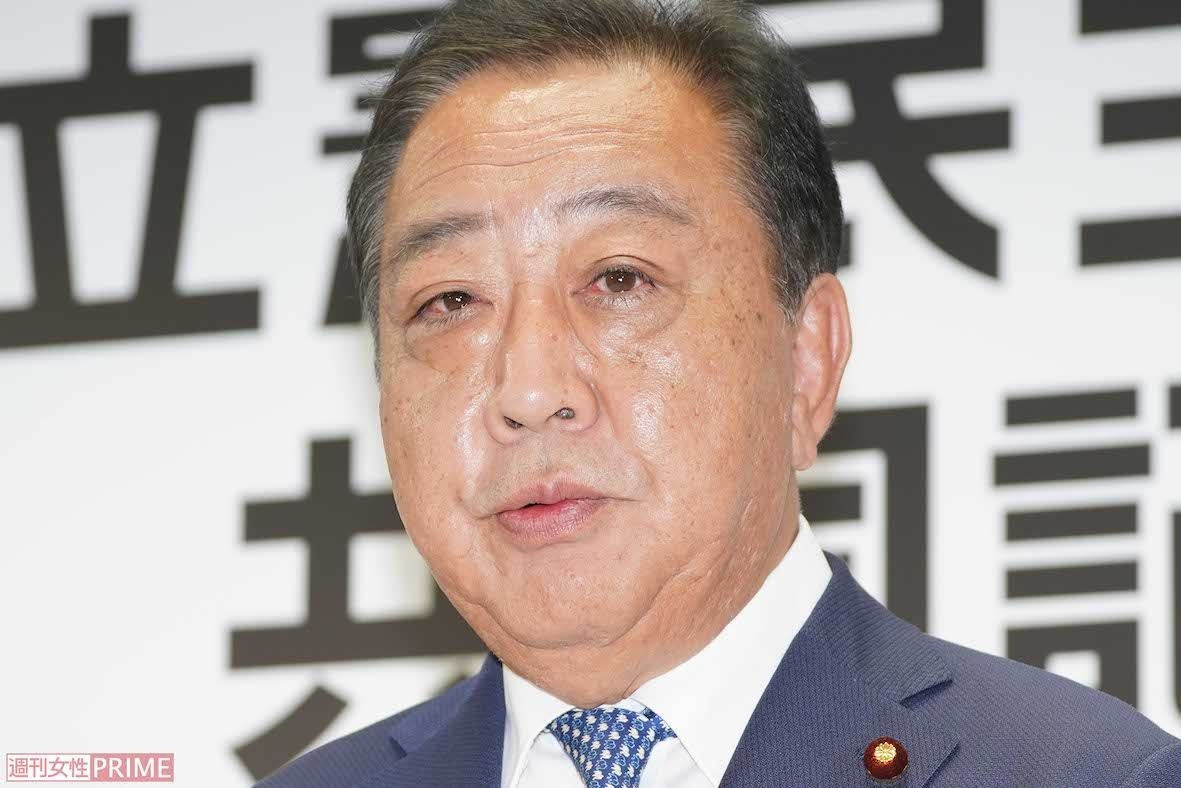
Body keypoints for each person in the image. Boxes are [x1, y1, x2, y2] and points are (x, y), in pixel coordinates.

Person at [259, 0, 1180, 785]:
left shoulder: (1079, 773)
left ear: (806, 362)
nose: (530, 391)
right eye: (451, 301)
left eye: (619, 279)